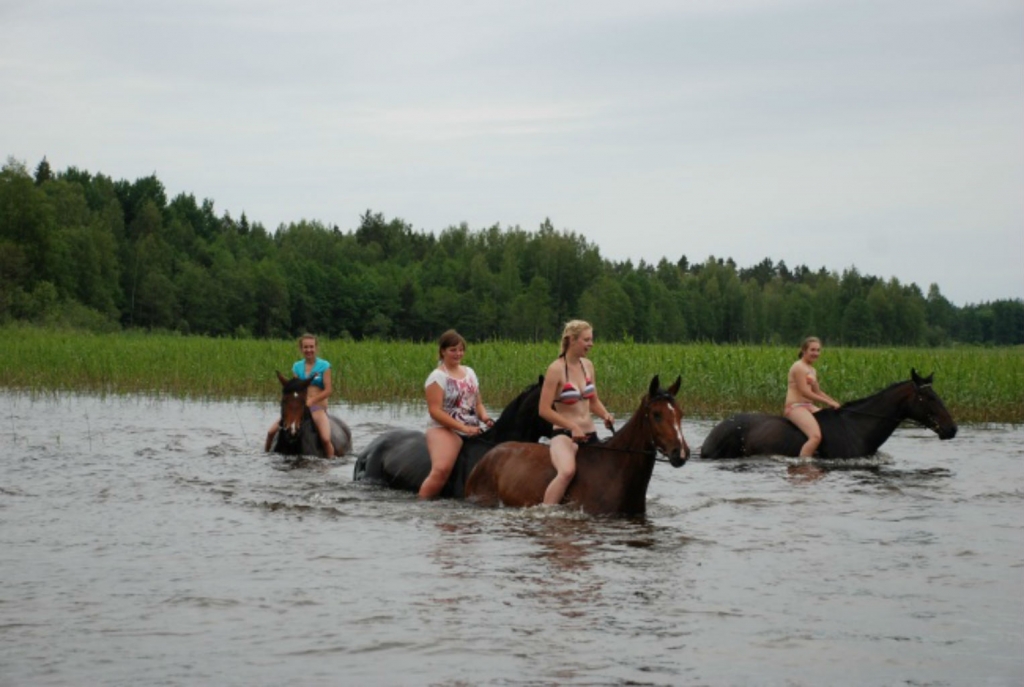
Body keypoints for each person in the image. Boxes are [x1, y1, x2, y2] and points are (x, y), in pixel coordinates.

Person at [538, 320, 615, 506]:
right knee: (567, 472)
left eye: (591, 339)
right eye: (586, 340)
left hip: (590, 434)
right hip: (564, 436)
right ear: (572, 340)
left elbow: (593, 401)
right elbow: (544, 410)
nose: (591, 344)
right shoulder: (555, 369)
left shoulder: (588, 365)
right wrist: (572, 426)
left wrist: (605, 415)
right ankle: (545, 513)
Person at [420, 329, 494, 499]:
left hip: (472, 427)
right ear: (443, 351)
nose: (458, 353)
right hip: (444, 429)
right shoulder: (437, 377)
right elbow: (435, 411)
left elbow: (478, 403)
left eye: (461, 349)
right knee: (441, 469)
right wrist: (463, 428)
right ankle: (421, 504)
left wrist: (485, 418)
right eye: (453, 350)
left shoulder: (470, 372)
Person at [265, 333, 336, 457]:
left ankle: (329, 465)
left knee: (325, 439)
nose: (309, 350)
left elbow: (328, 390)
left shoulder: (324, 366)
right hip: (299, 407)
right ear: (301, 349)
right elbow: (295, 389)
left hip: (316, 408)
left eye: (311, 347)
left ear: (316, 348)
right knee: (271, 432)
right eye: (306, 347)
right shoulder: (297, 366)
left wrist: (312, 401)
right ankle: (265, 456)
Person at [784, 336, 841, 457]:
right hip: (795, 407)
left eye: (818, 350)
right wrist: (828, 403)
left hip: (809, 406)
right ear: (804, 351)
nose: (816, 353)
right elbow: (805, 392)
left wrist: (835, 403)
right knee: (815, 437)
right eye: (813, 350)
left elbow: (818, 392)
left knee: (832, 423)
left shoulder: (812, 370)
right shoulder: (798, 367)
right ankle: (803, 465)